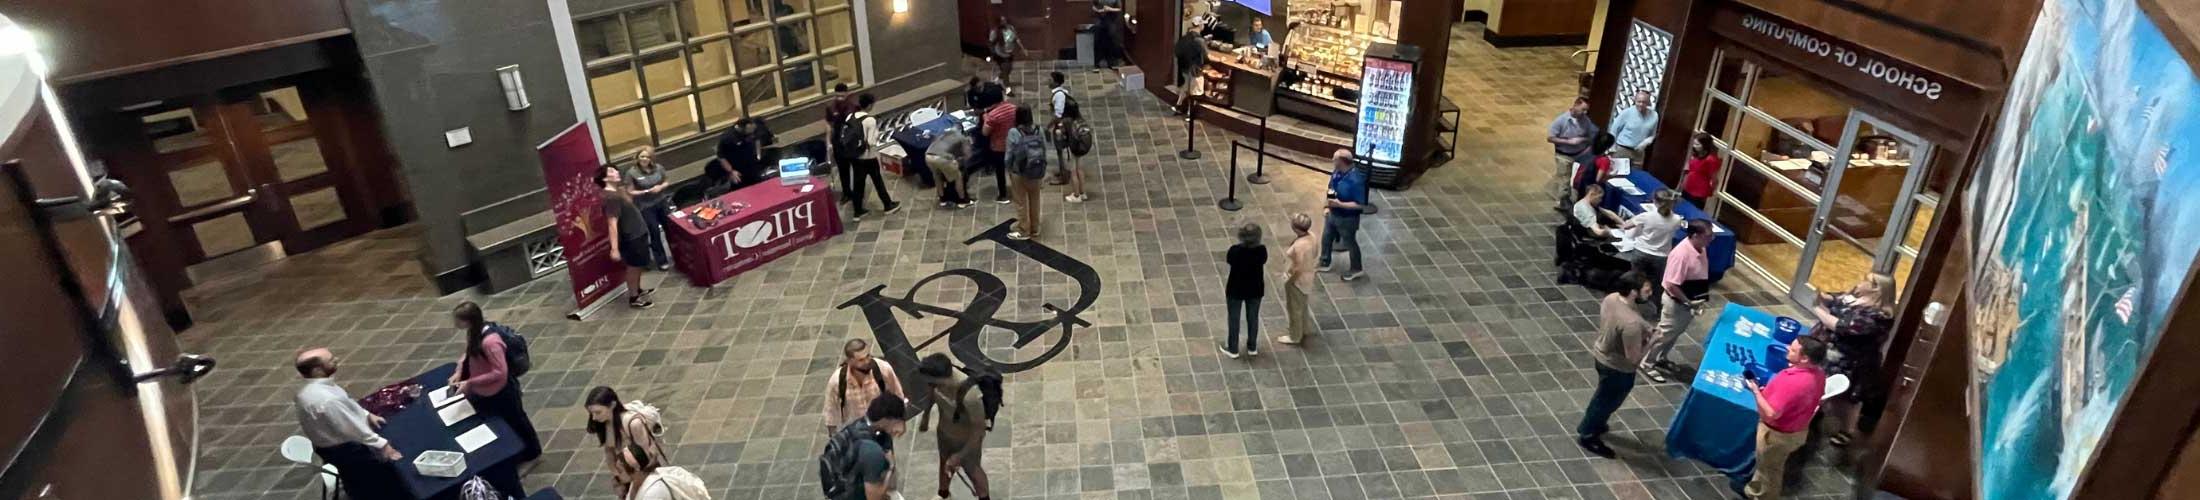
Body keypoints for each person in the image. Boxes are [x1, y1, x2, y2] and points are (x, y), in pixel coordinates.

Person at [293, 347, 404, 500]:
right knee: (374, 484)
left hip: (328, 445)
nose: (336, 360)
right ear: (317, 370)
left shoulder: (309, 390)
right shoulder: (327, 400)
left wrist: (366, 414)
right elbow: (351, 428)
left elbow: (346, 405)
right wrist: (382, 445)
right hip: (346, 451)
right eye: (331, 360)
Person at [448, 302, 542, 464]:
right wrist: (459, 370)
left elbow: (499, 372)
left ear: (467, 321)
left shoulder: (491, 342)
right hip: (485, 390)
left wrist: (470, 382)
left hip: (502, 391)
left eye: (458, 320)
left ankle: (532, 453)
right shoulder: (474, 332)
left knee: (517, 421)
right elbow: (470, 352)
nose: (455, 323)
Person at [1811, 273, 1897, 447]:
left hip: (1851, 362)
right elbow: (1837, 298)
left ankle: (1846, 430)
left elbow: (1841, 326)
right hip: (1830, 353)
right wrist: (1823, 297)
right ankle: (1815, 412)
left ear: (1877, 289)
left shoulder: (1878, 316)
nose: (1862, 281)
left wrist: (1817, 309)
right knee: (1819, 383)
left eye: (1867, 280)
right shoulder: (1855, 298)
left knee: (1846, 399)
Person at [1576, 272, 1653, 459]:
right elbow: (1634, 359)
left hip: (1602, 353)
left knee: (1604, 396)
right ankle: (1588, 433)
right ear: (1634, 292)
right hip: (1617, 367)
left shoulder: (1612, 299)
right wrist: (1653, 341)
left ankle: (1596, 423)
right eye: (1647, 290)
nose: (1650, 293)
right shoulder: (1631, 324)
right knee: (1607, 400)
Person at [1744, 337, 1830, 500]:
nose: (1787, 349)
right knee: (1771, 466)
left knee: (1769, 469)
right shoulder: (1819, 374)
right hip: (1796, 429)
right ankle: (1755, 488)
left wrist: (1755, 391)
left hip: (1777, 435)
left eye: (1792, 350)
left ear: (1805, 358)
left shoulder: (1793, 382)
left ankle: (1762, 496)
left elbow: (1771, 413)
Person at [1640, 219, 1715, 382]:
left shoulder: (1701, 248)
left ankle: (1660, 358)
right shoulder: (1681, 255)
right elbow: (1672, 284)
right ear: (1695, 235)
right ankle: (1646, 362)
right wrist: (1688, 302)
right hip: (1677, 302)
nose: (1712, 239)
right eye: (1708, 236)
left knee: (1675, 333)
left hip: (1690, 299)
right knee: (1664, 334)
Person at [914, 354, 992, 500]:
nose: (929, 385)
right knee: (944, 463)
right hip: (944, 433)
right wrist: (926, 415)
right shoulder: (935, 384)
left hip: (966, 441)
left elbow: (979, 431)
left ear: (942, 378)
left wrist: (960, 455)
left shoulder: (971, 395)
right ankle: (943, 495)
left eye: (932, 382)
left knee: (973, 471)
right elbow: (931, 393)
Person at [586, 386, 668, 499]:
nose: (594, 417)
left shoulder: (633, 424)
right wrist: (618, 477)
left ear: (612, 405)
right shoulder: (604, 423)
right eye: (592, 413)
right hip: (626, 475)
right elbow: (609, 452)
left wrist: (633, 488)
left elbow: (644, 459)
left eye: (598, 412)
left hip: (642, 475)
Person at [599, 166, 655, 309]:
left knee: (640, 264)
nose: (617, 172)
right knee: (634, 267)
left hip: (638, 232)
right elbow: (612, 223)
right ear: (604, 178)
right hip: (632, 238)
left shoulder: (617, 191)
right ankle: (633, 297)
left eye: (616, 170)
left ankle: (637, 288)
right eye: (611, 172)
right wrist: (614, 249)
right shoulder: (610, 197)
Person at [835, 395, 908, 500]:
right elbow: (874, 497)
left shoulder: (874, 430)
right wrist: (890, 468)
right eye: (897, 420)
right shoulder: (870, 452)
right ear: (887, 420)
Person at [825, 339, 907, 431]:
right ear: (850, 361)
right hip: (855, 430)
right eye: (861, 360)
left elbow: (897, 394)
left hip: (881, 426)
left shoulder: (882, 369)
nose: (867, 361)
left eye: (868, 356)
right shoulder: (837, 381)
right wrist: (833, 435)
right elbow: (831, 409)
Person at [844, 93, 902, 221]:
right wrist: (876, 135)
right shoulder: (870, 120)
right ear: (870, 105)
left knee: (858, 183)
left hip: (854, 156)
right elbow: (871, 142)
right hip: (868, 157)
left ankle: (858, 211)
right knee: (878, 181)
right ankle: (888, 205)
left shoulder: (850, 117)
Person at [1319, 149, 1369, 281]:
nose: (1332, 161)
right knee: (1326, 238)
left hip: (1347, 219)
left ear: (1341, 162)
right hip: (1332, 214)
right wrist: (1328, 205)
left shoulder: (1356, 180)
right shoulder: (1337, 172)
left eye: (1334, 159)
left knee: (1350, 243)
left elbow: (1360, 204)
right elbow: (1331, 187)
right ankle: (1324, 262)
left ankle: (1357, 269)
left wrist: (1339, 204)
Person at [1221, 222, 1267, 358]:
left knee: (1234, 318)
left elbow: (1229, 261)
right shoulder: (1261, 250)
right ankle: (1252, 346)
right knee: (1253, 317)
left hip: (1236, 288)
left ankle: (1233, 348)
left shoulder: (1235, 251)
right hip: (1255, 288)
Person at [1614, 190, 1685, 277]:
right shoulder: (1677, 219)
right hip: (1661, 256)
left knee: (1636, 278)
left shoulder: (1646, 216)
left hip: (1642, 252)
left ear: (1654, 201)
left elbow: (1626, 226)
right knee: (1655, 281)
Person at [1004, 106, 1048, 240]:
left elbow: (1009, 154)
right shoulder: (1038, 129)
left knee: (1020, 202)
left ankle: (1024, 229)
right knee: (1035, 199)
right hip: (1036, 170)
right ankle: (1035, 227)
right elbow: (1044, 149)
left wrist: (1008, 169)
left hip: (1019, 172)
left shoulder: (1014, 132)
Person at [625, 146, 673, 271]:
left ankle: (677, 253)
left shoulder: (658, 168)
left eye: (647, 156)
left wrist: (660, 187)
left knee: (671, 228)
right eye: (642, 156)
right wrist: (646, 191)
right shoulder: (632, 173)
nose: (644, 159)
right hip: (646, 207)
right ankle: (661, 260)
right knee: (655, 232)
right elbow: (630, 191)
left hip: (662, 202)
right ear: (637, 158)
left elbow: (667, 181)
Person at [1547, 96, 1599, 201]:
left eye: (1586, 110)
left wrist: (1583, 140)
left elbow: (1592, 134)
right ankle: (1563, 201)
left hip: (1580, 154)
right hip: (1564, 154)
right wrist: (1568, 141)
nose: (1584, 112)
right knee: (1565, 179)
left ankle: (1555, 188)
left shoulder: (1585, 120)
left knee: (1576, 175)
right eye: (1583, 109)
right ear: (1576, 105)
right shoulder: (1561, 120)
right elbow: (1550, 138)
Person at [1277, 213, 1317, 346]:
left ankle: (1295, 336)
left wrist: (1290, 280)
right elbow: (1315, 253)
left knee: (1294, 307)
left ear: (1296, 228)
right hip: (1309, 275)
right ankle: (1303, 328)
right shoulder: (1312, 236)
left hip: (1298, 280)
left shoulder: (1300, 246)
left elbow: (1298, 267)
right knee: (1303, 304)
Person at [926, 122, 975, 209]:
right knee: (958, 177)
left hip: (928, 156)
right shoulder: (961, 137)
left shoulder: (942, 133)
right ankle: (962, 201)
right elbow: (968, 155)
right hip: (941, 159)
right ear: (962, 130)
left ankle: (942, 199)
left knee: (937, 176)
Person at [1051, 103, 1093, 202]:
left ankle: (1076, 195)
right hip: (1083, 147)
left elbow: (1061, 136)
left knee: (1073, 171)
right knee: (1080, 169)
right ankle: (1083, 193)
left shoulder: (1066, 121)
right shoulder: (1080, 119)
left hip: (1074, 148)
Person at [980, 99, 1018, 204]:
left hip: (999, 147)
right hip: (1013, 143)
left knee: (1000, 171)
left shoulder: (992, 115)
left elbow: (985, 132)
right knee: (1015, 169)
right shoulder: (1013, 107)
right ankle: (1019, 191)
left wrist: (985, 118)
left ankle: (1003, 195)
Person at [1607, 90, 1658, 161]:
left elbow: (1653, 134)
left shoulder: (1654, 115)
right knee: (1619, 172)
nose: (1641, 104)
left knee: (1636, 172)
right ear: (1635, 101)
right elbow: (1614, 130)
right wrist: (1611, 148)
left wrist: (1645, 142)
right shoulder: (1627, 112)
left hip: (1639, 152)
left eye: (1644, 102)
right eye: (1638, 101)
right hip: (1622, 150)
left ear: (1648, 102)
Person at [1047, 71, 1074, 186]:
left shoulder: (1059, 95)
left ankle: (1063, 177)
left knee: (1060, 151)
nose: (1048, 81)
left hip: (1061, 127)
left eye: (1051, 80)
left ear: (1056, 82)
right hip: (1064, 125)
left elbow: (1058, 114)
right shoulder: (1063, 92)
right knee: (1059, 150)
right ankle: (1062, 170)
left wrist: (1048, 126)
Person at [1173, 26, 1209, 113]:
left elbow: (1177, 52)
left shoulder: (1184, 38)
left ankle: (1178, 106)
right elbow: (1205, 56)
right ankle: (1190, 113)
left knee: (1185, 88)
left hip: (1185, 68)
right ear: (1200, 27)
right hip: (1196, 70)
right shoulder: (1199, 40)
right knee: (1195, 91)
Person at [1681, 133, 1721, 208]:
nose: (1694, 146)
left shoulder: (1711, 160)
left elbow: (1714, 178)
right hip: (1688, 186)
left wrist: (1711, 190)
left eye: (1697, 144)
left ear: (1704, 145)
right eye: (1694, 144)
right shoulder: (1695, 154)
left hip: (1699, 192)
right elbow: (1689, 168)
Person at [1091, 0, 1128, 79]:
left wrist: (1109, 9)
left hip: (1111, 20)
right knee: (1098, 40)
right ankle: (1097, 63)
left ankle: (1111, 62)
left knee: (1111, 40)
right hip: (1099, 20)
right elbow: (1093, 6)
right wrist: (1097, 10)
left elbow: (1120, 9)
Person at [987, 17, 1024, 87]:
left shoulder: (1011, 28)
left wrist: (1023, 48)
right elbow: (991, 43)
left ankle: (999, 77)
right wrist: (992, 54)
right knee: (1006, 69)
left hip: (1009, 53)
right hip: (1000, 54)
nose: (1004, 22)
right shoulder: (995, 31)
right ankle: (1007, 88)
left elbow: (1016, 38)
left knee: (1009, 69)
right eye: (1002, 21)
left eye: (1005, 20)